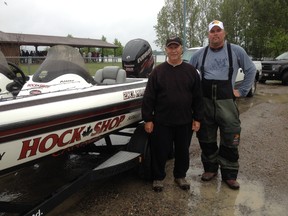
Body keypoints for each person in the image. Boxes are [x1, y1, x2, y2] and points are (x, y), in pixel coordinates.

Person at [189, 20, 256, 190]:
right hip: (205, 104)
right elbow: (188, 75)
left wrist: (241, 91)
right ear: (208, 34)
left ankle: (230, 175)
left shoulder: (236, 51)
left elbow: (251, 70)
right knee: (206, 138)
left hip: (227, 102)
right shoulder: (199, 54)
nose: (215, 34)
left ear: (224, 33)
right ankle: (210, 169)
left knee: (231, 138)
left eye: (218, 31)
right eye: (212, 31)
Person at [142, 36, 203, 192]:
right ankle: (158, 177)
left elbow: (197, 97)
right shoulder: (157, 72)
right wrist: (148, 119)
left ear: (182, 49)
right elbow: (149, 98)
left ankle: (180, 176)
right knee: (160, 150)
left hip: (184, 121)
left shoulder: (191, 72)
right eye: (170, 47)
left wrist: (197, 118)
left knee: (183, 151)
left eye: (176, 47)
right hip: (162, 121)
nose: (173, 50)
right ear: (166, 50)